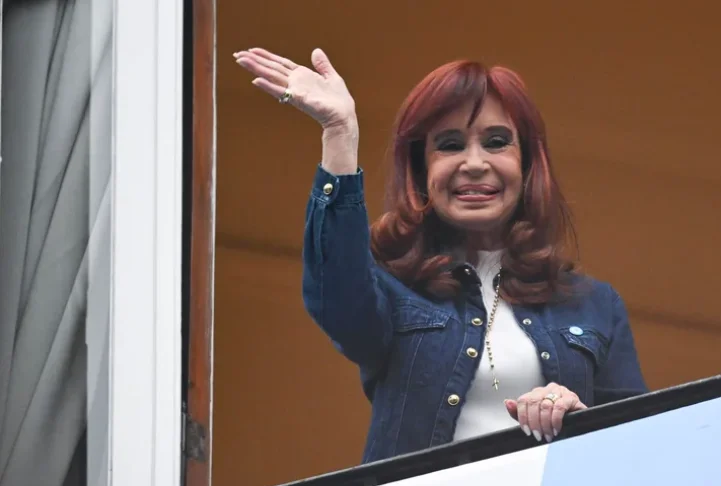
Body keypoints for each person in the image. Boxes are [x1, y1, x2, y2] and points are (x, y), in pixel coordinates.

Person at [234, 47, 648, 464]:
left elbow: (638, 452)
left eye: (497, 142)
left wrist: (580, 419)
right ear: (422, 172)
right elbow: (336, 297)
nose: (474, 163)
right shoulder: (392, 290)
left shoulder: (595, 304)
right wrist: (340, 132)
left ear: (526, 166)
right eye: (450, 145)